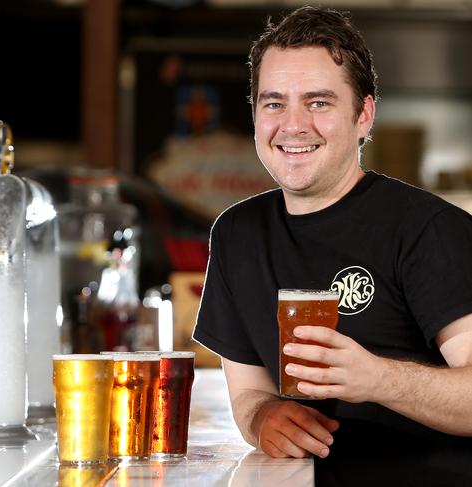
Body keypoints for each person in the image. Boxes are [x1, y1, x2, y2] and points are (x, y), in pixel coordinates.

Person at [193, 5, 472, 460]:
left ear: (364, 115)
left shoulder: (429, 229)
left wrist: (378, 379)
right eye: (274, 103)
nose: (293, 124)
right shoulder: (236, 234)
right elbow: (247, 393)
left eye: (318, 102)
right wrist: (263, 417)